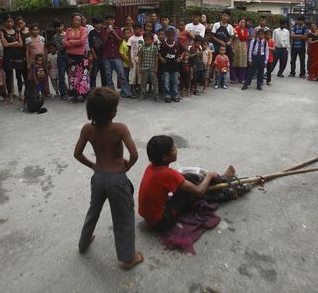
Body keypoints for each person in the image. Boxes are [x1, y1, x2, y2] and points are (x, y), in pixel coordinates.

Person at [74, 87, 142, 271]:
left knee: (93, 210)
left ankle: (84, 241)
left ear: (90, 111)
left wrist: (93, 165)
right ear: (113, 111)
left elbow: (77, 154)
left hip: (98, 177)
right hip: (117, 180)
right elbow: (134, 155)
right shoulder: (120, 128)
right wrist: (126, 166)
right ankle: (128, 258)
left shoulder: (88, 129)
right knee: (124, 217)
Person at [138, 135, 228, 229]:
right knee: (192, 193)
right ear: (165, 157)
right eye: (173, 150)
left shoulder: (151, 167)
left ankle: (220, 180)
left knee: (187, 179)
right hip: (161, 222)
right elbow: (199, 191)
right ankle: (223, 185)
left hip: (149, 218)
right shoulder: (168, 174)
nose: (176, 151)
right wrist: (210, 175)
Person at [100, 14, 133, 98]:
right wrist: (108, 32)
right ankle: (111, 93)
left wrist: (114, 33)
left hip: (116, 56)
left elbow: (120, 41)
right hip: (106, 56)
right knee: (108, 75)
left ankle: (126, 92)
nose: (110, 21)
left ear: (114, 21)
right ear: (106, 21)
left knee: (122, 74)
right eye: (108, 20)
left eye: (112, 20)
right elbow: (103, 42)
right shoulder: (103, 30)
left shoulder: (118, 30)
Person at [64, 13, 89, 102]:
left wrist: (71, 42)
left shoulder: (84, 29)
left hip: (81, 56)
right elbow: (65, 43)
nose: (77, 21)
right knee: (72, 76)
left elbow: (82, 41)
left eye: (79, 20)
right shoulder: (68, 30)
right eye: (76, 20)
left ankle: (83, 95)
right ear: (72, 21)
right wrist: (75, 43)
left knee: (83, 76)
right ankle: (74, 96)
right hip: (71, 57)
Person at [0, 15, 25, 103]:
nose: (10, 23)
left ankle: (20, 94)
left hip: (17, 55)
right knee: (9, 76)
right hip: (8, 56)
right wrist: (15, 42)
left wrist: (10, 43)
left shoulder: (17, 31)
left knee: (19, 75)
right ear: (4, 23)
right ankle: (10, 95)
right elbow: (5, 45)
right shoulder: (2, 31)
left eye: (11, 21)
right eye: (8, 21)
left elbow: (21, 44)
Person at [158, 27, 182, 103]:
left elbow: (184, 51)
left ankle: (175, 95)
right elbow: (158, 52)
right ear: (166, 36)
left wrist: (180, 57)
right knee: (166, 82)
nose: (171, 37)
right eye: (169, 36)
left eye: (172, 36)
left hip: (175, 67)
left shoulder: (177, 44)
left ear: (175, 35)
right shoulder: (163, 44)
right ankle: (167, 95)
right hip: (166, 67)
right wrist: (161, 58)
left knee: (175, 82)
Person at [137, 32, 159, 100]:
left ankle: (156, 95)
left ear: (152, 40)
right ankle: (143, 95)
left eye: (148, 40)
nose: (147, 41)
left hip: (152, 68)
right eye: (145, 40)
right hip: (144, 68)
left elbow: (156, 58)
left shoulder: (154, 47)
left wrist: (156, 67)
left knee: (154, 83)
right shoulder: (142, 48)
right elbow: (140, 57)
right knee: (143, 83)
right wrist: (140, 67)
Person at [52, 20, 68, 100]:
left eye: (60, 26)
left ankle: (72, 92)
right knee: (61, 76)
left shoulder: (68, 34)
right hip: (61, 57)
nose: (59, 28)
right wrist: (67, 43)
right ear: (55, 28)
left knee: (71, 75)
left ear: (63, 25)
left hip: (69, 57)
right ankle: (63, 94)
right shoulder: (55, 37)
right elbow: (59, 48)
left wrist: (66, 44)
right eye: (57, 27)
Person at [87, 16, 106, 88]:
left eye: (100, 23)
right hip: (96, 56)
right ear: (93, 24)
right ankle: (93, 88)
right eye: (96, 23)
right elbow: (91, 45)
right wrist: (94, 55)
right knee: (94, 73)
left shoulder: (104, 32)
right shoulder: (91, 33)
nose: (98, 25)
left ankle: (104, 88)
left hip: (104, 56)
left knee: (104, 73)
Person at [230, 18, 249, 84]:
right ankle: (233, 78)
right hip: (235, 48)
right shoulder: (234, 30)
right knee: (234, 63)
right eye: (241, 22)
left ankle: (241, 78)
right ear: (238, 23)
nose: (243, 23)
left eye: (244, 22)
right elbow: (231, 39)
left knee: (243, 63)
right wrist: (232, 47)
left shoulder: (246, 31)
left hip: (243, 49)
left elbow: (246, 40)